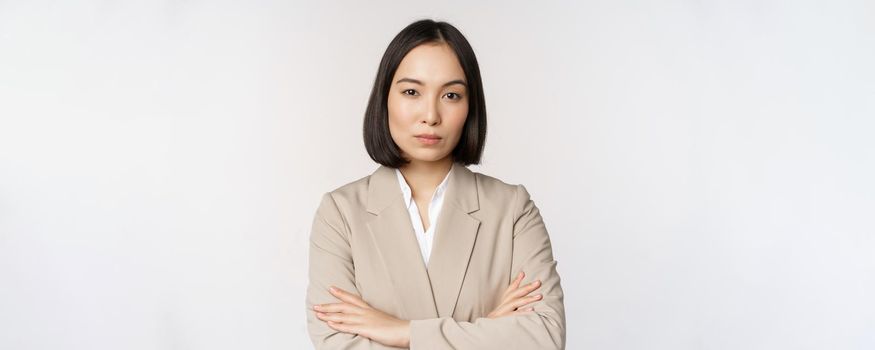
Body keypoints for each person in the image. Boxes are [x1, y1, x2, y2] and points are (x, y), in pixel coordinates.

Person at [306, 19, 566, 349]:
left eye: (451, 95)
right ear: (385, 97)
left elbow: (543, 338)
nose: (431, 115)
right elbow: (336, 342)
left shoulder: (512, 208)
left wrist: (403, 332)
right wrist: (487, 329)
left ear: (470, 107)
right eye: (412, 92)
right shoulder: (340, 213)